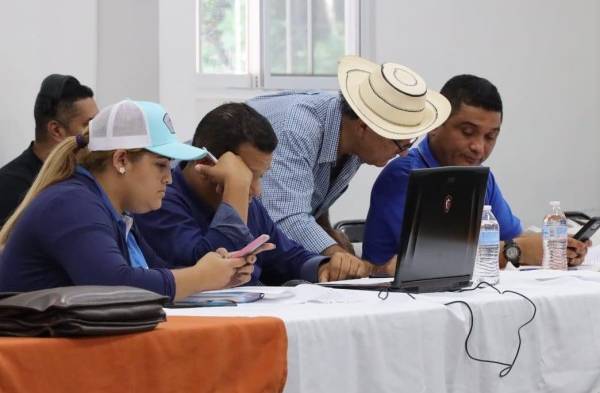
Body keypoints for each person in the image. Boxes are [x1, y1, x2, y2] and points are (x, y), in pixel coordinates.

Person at [0, 100, 263, 301]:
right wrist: (199, 276)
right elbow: (113, 285)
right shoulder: (71, 203)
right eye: (160, 165)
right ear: (121, 160)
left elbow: (152, 275)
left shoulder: (113, 212)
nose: (168, 179)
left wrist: (219, 275)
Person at [363, 74, 590, 268]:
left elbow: (513, 236)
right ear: (435, 126)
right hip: (393, 301)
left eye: (490, 137)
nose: (479, 147)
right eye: (468, 131)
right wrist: (515, 251)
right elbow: (428, 260)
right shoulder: (404, 176)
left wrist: (557, 246)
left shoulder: (481, 177)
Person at [247, 55, 451, 271]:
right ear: (363, 127)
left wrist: (326, 230)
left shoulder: (353, 136)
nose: (403, 154)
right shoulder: (297, 130)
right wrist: (340, 256)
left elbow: (310, 187)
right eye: (399, 143)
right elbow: (287, 216)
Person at [136, 103, 370, 283]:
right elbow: (214, 270)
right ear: (208, 163)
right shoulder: (160, 202)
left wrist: (325, 266)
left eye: (261, 176)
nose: (257, 191)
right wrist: (236, 188)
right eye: (248, 176)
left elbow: (286, 256)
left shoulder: (249, 202)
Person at [0, 74, 98, 225]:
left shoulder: (91, 178)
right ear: (57, 130)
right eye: (89, 125)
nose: (97, 133)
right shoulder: (8, 188)